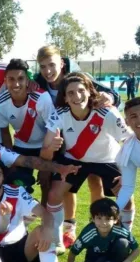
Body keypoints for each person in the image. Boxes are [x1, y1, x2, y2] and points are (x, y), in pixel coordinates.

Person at [35, 45, 120, 242]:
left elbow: (107, 94)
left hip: (90, 139)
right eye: (43, 66)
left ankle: (98, 223)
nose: (47, 71)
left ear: (62, 63)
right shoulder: (38, 82)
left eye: (52, 65)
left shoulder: (79, 78)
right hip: (59, 137)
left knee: (94, 180)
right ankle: (68, 227)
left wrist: (111, 97)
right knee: (62, 183)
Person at [43, 72, 134, 253]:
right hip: (74, 160)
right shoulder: (59, 113)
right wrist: (51, 146)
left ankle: (125, 241)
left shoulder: (107, 112)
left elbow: (129, 142)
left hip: (107, 158)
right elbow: (45, 148)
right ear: (65, 98)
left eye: (81, 91)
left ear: (90, 91)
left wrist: (127, 176)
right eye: (71, 93)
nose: (77, 97)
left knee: (126, 199)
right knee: (54, 194)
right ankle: (57, 240)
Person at [0, 59, 58, 203]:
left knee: (46, 182)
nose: (16, 84)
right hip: (21, 146)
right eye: (11, 79)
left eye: (20, 78)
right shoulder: (0, 103)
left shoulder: (42, 98)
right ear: (5, 80)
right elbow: (5, 132)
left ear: (27, 80)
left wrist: (45, 162)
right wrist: (10, 160)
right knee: (17, 184)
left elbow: (53, 127)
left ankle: (45, 218)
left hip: (44, 146)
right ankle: (21, 219)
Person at [65, 198, 140, 262]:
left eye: (108, 219)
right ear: (93, 219)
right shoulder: (89, 233)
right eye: (99, 218)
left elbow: (137, 249)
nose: (103, 223)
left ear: (116, 220)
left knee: (123, 243)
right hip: (96, 255)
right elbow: (73, 251)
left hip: (114, 253)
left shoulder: (120, 230)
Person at [114, 97, 140, 229]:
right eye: (134, 116)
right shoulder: (128, 148)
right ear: (127, 122)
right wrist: (113, 211)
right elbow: (127, 188)